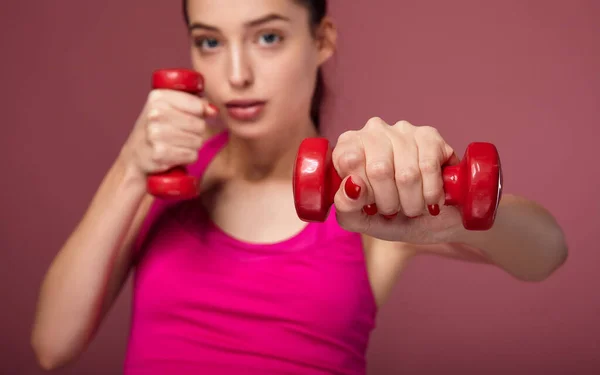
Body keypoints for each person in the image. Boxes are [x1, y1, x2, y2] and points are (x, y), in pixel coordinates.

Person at [30, 0, 568, 374]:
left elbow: (547, 251)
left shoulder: (370, 193)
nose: (236, 73)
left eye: (268, 37)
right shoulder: (164, 180)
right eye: (210, 42)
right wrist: (130, 166)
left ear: (322, 39)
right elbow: (52, 346)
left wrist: (463, 208)